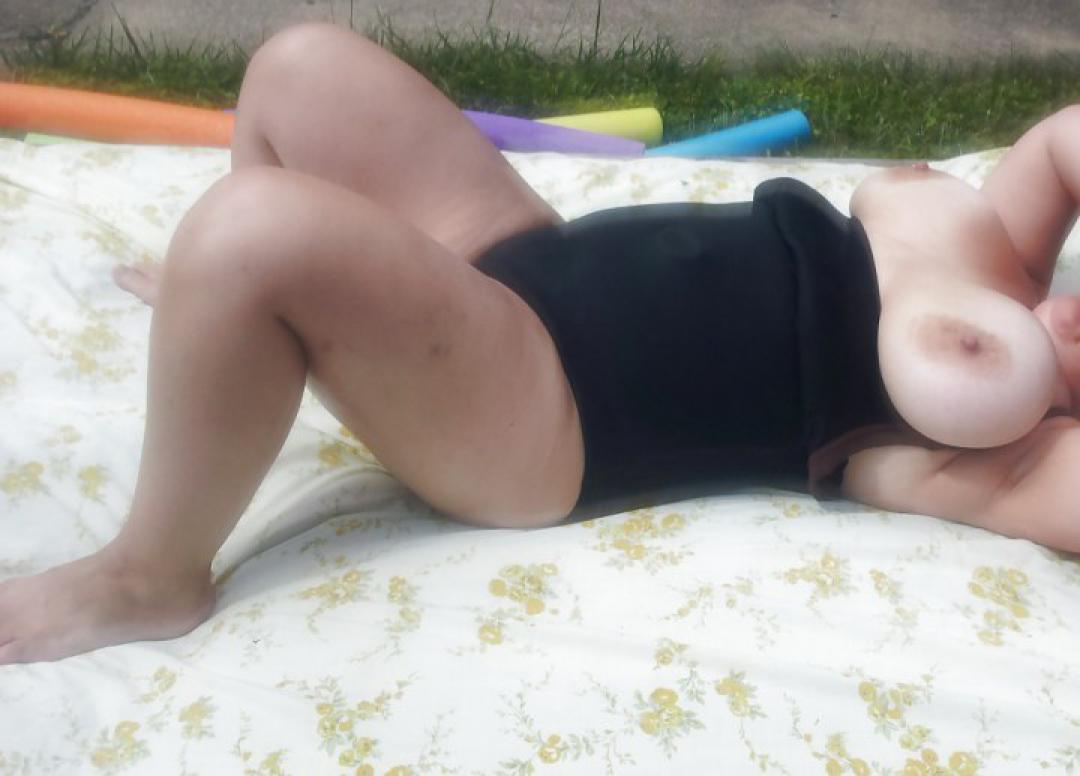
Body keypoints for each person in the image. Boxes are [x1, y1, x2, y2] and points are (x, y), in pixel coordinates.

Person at [0, 22, 1077, 666]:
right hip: (529, 257)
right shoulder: (1007, 247)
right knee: (301, 66)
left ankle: (150, 574)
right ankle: (229, 334)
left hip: (545, 412)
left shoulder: (992, 451)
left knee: (252, 234)